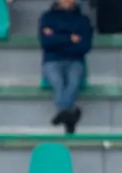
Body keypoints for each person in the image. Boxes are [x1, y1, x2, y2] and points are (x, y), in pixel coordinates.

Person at [39, 0, 93, 135]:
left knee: (74, 81)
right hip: (52, 61)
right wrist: (70, 38)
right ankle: (70, 114)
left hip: (74, 60)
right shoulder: (47, 17)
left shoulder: (83, 20)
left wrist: (57, 38)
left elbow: (85, 46)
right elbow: (46, 43)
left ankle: (63, 113)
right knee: (58, 82)